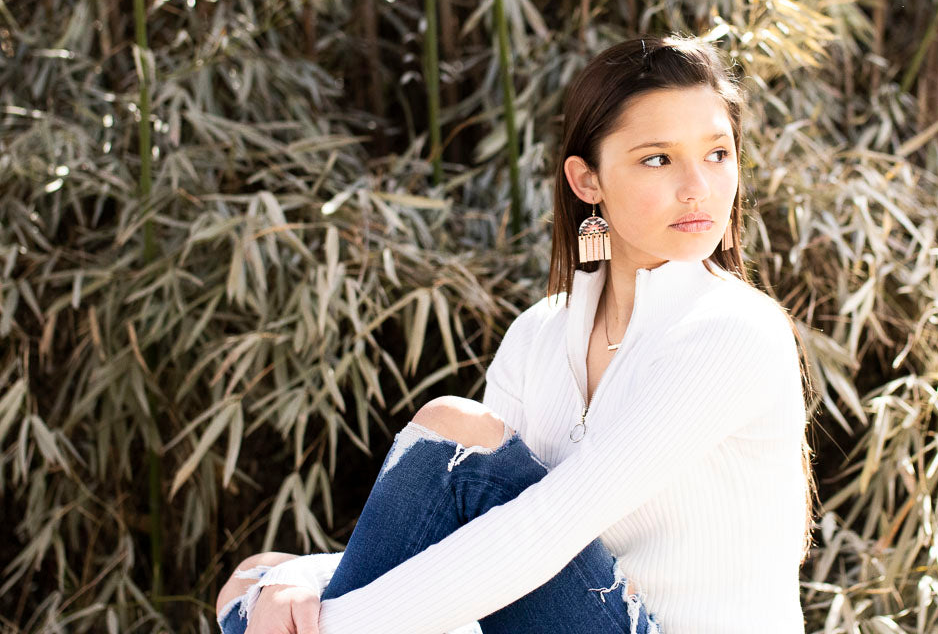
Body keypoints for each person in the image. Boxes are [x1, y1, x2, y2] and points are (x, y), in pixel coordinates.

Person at [214, 35, 815, 634]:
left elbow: (546, 528)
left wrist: (332, 625)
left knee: (455, 431)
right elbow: (476, 546)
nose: (699, 187)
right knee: (257, 576)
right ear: (587, 181)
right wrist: (299, 585)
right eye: (658, 158)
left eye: (717, 154)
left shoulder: (736, 331)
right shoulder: (540, 334)